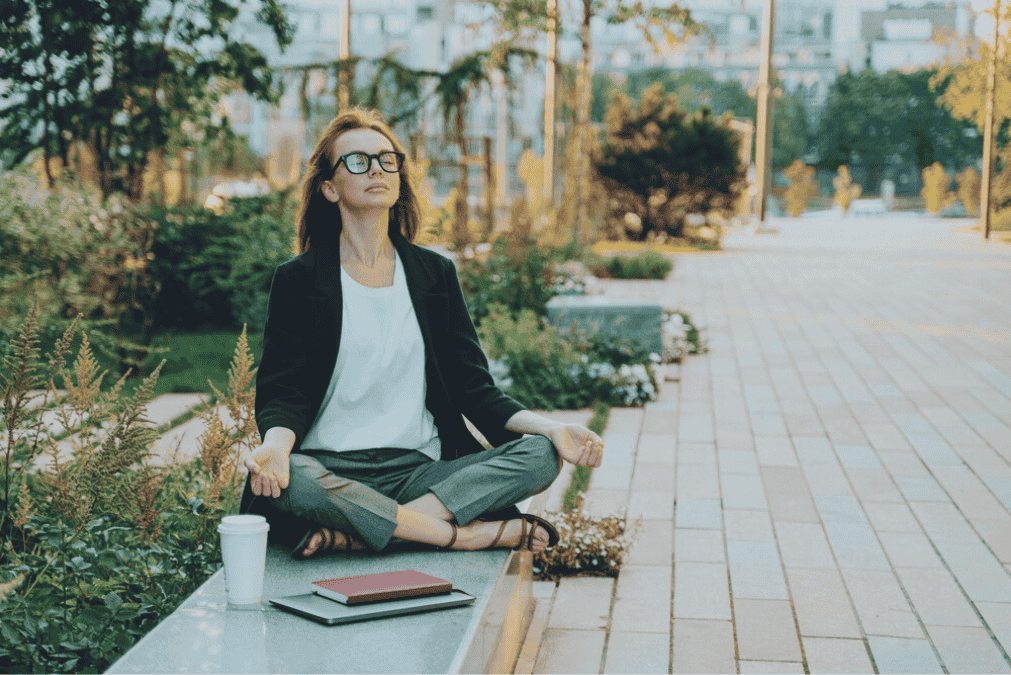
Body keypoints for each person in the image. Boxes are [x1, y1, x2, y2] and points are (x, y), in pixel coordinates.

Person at [239, 108, 604, 558]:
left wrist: (552, 428)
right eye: (357, 161)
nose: (376, 168)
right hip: (331, 470)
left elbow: (475, 390)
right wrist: (275, 450)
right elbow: (283, 392)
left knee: (542, 455)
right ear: (329, 188)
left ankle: (362, 532)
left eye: (386, 159)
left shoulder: (434, 275)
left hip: (417, 470)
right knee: (297, 481)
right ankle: (459, 534)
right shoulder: (299, 280)